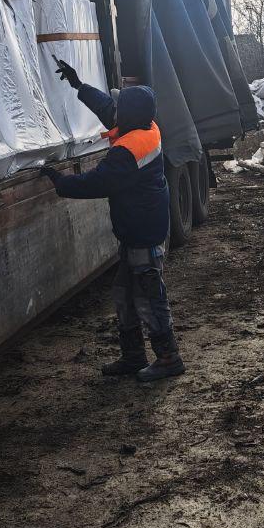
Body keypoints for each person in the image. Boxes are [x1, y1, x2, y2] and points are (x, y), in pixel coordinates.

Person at [40, 59, 185, 383]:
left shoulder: (128, 151)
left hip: (142, 234)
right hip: (138, 230)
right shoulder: (147, 128)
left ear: (129, 115)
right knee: (124, 293)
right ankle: (133, 355)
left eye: (121, 107)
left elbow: (98, 182)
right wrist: (79, 86)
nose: (114, 110)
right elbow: (110, 109)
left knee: (148, 297)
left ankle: (168, 357)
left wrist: (60, 182)